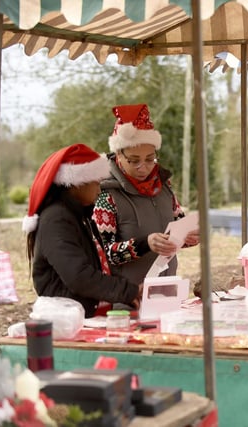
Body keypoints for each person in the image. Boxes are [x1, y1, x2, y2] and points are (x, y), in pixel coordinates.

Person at [23, 143, 142, 318]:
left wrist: (126, 291)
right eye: (95, 183)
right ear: (78, 184)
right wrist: (128, 291)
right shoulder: (57, 219)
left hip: (83, 315)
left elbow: (99, 265)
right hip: (65, 319)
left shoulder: (80, 215)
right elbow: (79, 277)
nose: (99, 189)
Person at [93, 104, 199, 285]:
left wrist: (190, 238)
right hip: (126, 298)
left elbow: (179, 224)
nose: (143, 167)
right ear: (118, 154)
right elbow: (104, 253)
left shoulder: (164, 188)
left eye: (150, 159)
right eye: (134, 161)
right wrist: (144, 244)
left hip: (166, 288)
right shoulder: (105, 196)